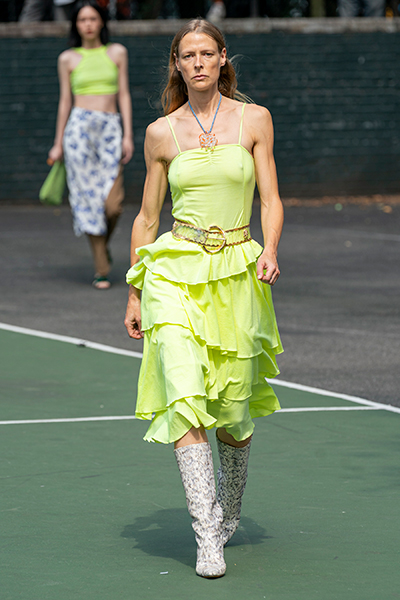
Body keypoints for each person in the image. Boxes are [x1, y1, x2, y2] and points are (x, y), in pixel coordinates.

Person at [124, 18, 283, 578]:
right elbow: (147, 218)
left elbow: (271, 200)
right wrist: (136, 293)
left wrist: (270, 248)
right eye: (187, 55)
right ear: (177, 63)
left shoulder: (255, 119)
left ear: (222, 58)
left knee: (233, 415)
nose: (197, 63)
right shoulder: (160, 133)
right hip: (174, 270)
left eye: (206, 53)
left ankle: (227, 511)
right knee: (184, 394)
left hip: (238, 272)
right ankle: (205, 536)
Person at [48, 0, 134, 289]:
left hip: (109, 129)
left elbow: (124, 94)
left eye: (93, 18)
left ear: (101, 22)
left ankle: (101, 249)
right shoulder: (67, 58)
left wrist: (127, 135)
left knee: (113, 206)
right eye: (82, 19)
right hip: (79, 132)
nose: (88, 24)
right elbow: (64, 101)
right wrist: (58, 143)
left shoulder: (117, 52)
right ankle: (101, 267)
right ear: (76, 25)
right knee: (88, 202)